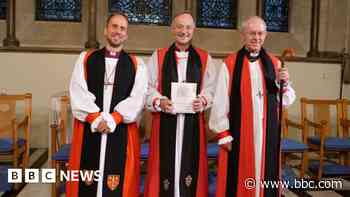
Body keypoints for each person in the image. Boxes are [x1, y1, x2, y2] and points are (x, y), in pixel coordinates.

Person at [209, 16, 296, 197]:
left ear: (265, 35)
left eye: (260, 33)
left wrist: (285, 83)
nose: (256, 37)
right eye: (252, 33)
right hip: (239, 133)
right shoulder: (230, 64)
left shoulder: (275, 63)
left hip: (267, 134)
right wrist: (223, 134)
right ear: (243, 35)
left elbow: (287, 99)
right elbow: (219, 102)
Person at [67, 12, 148, 197]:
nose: (118, 31)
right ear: (105, 30)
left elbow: (138, 98)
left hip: (119, 131)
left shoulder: (136, 65)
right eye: (114, 26)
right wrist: (96, 119)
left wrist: (113, 119)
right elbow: (78, 91)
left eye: (122, 28)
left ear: (126, 34)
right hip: (91, 129)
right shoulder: (86, 59)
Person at [144, 11, 216, 197]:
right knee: (164, 171)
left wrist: (203, 101)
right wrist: (159, 101)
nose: (184, 31)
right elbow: (147, 87)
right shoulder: (158, 56)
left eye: (188, 27)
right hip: (165, 123)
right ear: (172, 29)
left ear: (193, 30)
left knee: (190, 168)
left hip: (193, 125)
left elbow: (211, 89)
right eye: (180, 27)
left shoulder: (204, 58)